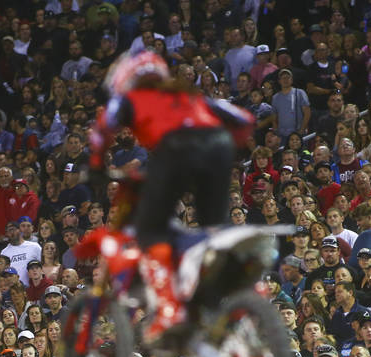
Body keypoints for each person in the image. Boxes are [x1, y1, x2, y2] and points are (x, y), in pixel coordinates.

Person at [88, 51, 254, 341]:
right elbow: (243, 119)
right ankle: (227, 293)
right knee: (210, 231)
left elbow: (102, 129)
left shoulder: (131, 99)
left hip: (177, 150)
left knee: (151, 233)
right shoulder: (190, 97)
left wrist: (96, 167)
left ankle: (170, 311)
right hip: (219, 149)